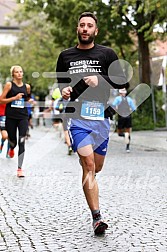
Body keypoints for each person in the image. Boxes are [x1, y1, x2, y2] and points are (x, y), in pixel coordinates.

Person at [56, 12, 127, 235]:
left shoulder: (107, 54)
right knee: (88, 165)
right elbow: (62, 83)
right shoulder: (65, 56)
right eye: (82, 25)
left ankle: (87, 166)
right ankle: (97, 218)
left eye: (89, 26)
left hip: (101, 118)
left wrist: (101, 79)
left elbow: (122, 81)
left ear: (96, 31)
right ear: (77, 29)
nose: (85, 28)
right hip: (77, 116)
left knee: (96, 167)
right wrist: (64, 91)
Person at [0, 65, 32, 177]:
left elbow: (27, 99)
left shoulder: (27, 87)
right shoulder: (9, 85)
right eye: (17, 72)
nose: (19, 73)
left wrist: (31, 101)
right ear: (13, 74)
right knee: (13, 140)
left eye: (21, 71)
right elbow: (1, 100)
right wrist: (14, 98)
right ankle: (11, 147)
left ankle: (19, 169)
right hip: (11, 117)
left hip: (23, 117)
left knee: (22, 141)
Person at [111, 88, 136, 152]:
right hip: (128, 117)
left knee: (119, 133)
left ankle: (124, 135)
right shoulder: (129, 99)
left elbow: (113, 106)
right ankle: (127, 147)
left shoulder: (117, 99)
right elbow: (134, 108)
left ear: (120, 93)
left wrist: (116, 111)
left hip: (121, 117)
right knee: (128, 132)